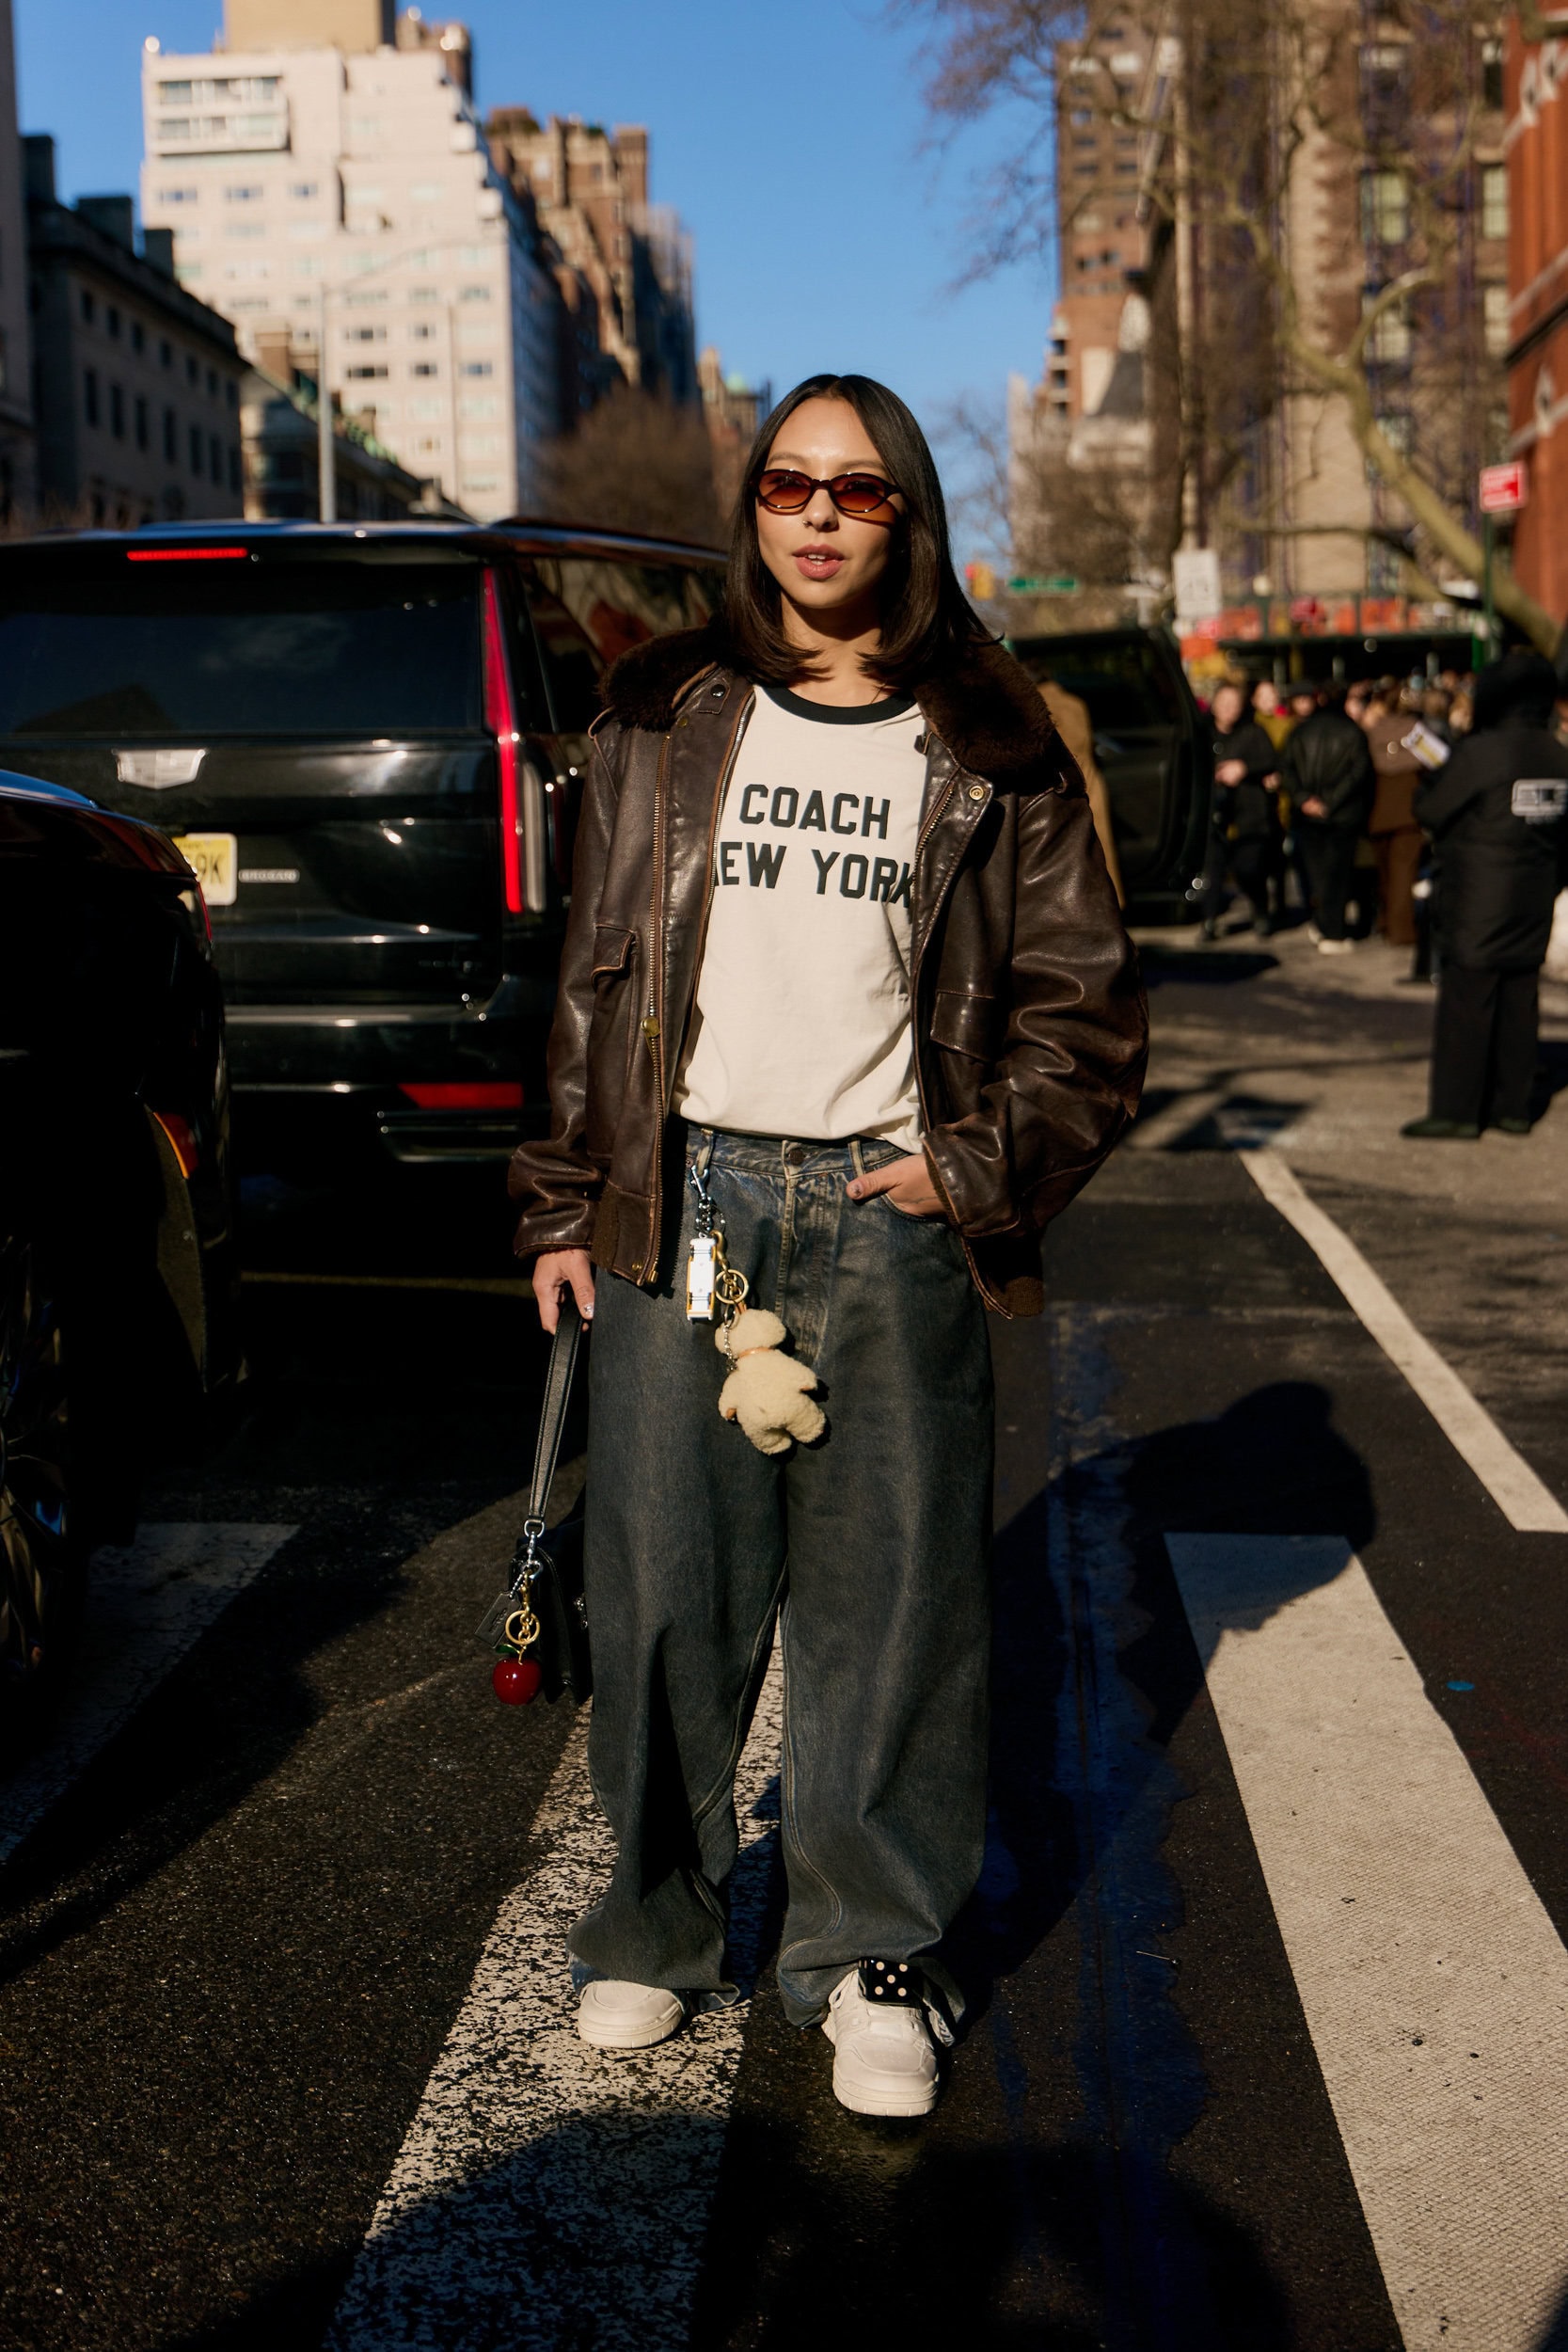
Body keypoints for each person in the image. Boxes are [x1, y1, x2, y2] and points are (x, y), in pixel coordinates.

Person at [509, 373, 1147, 2118]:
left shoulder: (992, 740)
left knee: (894, 1605)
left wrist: (972, 1167)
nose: (814, 513)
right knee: (662, 1595)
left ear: (903, 517)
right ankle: (651, 1924)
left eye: (855, 491)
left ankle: (876, 1946)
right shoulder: (664, 712)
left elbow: (1082, 1015)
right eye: (788, 483)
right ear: (755, 511)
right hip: (688, 1207)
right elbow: (592, 980)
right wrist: (565, 1201)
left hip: (884, 1213)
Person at [1403, 650, 1568, 1138]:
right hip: (1534, 893)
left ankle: (1458, 1111)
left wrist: (1431, 778)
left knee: (1468, 1003)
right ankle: (1512, 1107)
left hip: (1479, 896)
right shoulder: (1558, 754)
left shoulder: (1482, 753)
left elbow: (1432, 812)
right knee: (1520, 1001)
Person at [1278, 683, 1375, 951]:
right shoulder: (1353, 732)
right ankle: (1332, 930)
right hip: (1342, 816)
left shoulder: (1299, 731)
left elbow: (1286, 769)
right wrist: (1329, 803)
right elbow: (1358, 774)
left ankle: (1323, 924)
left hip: (1309, 816)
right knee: (1337, 874)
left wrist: (1304, 799)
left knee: (1316, 873)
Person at [1033, 673, 1125, 903]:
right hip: (1092, 783)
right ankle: (1109, 907)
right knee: (1101, 856)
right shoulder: (1076, 703)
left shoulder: (1035, 706)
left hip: (1057, 786)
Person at [1201, 679, 1282, 935]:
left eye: (1233, 704)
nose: (1228, 709)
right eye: (1223, 703)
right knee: (1212, 870)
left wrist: (1244, 768)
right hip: (1214, 814)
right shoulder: (1202, 734)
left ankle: (1260, 910)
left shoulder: (1254, 731)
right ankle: (1209, 920)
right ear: (1213, 706)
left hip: (1250, 813)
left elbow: (1271, 760)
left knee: (1248, 868)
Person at [1363, 686, 1424, 948]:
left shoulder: (1370, 733)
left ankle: (1385, 922)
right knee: (1403, 874)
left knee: (1385, 873)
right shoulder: (1415, 731)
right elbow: (1441, 760)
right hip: (1407, 814)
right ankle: (1402, 930)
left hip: (1377, 813)